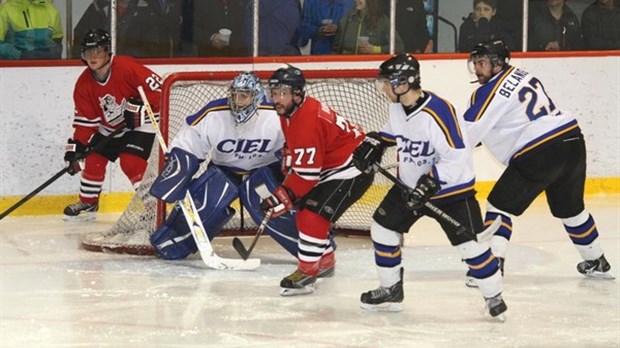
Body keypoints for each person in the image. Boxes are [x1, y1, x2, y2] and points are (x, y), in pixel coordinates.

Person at [351, 54, 506, 320]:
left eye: (388, 83)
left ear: (405, 82)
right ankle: (391, 288)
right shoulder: (398, 107)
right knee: (383, 228)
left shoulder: (439, 112)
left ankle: (494, 296)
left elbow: (457, 154)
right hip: (409, 189)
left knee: (471, 247)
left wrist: (431, 182)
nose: (384, 89)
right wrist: (376, 141)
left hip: (451, 192)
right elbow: (396, 130)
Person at [463, 39, 614, 285]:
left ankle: (490, 269)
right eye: (475, 63)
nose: (477, 68)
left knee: (499, 205)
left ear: (497, 63)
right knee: (571, 209)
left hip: (541, 151)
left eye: (481, 63)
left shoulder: (487, 91)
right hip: (571, 140)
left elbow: (466, 135)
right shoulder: (522, 74)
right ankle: (597, 261)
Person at [147, 71, 334, 261]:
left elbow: (300, 143)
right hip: (225, 172)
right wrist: (180, 169)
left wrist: (292, 163)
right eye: (235, 95)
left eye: (244, 96)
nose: (238, 101)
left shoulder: (275, 113)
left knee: (272, 207)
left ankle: (316, 246)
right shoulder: (214, 113)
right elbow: (189, 140)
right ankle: (170, 244)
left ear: (257, 97)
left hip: (263, 175)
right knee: (205, 203)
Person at [262, 64, 375, 296]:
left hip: (352, 169)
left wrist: (284, 195)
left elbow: (307, 177)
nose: (277, 99)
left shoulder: (306, 119)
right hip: (335, 165)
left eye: (282, 93)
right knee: (307, 209)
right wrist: (291, 152)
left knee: (312, 215)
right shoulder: (290, 110)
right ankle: (324, 261)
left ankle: (307, 272)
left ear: (298, 93)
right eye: (274, 93)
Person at [63, 29, 160, 221]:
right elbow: (85, 122)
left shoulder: (126, 67)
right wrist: (77, 146)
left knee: (130, 161)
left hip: (142, 122)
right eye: (88, 52)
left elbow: (160, 89)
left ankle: (153, 206)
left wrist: (139, 106)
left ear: (108, 51)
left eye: (97, 51)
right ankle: (88, 201)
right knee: (93, 157)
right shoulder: (83, 84)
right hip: (111, 127)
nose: (93, 56)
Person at [73, 0, 182, 59]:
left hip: (135, 70)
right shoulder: (98, 7)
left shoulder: (150, 12)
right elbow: (80, 40)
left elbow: (155, 49)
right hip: (102, 71)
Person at [332, 0, 404, 54]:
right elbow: (336, 48)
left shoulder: (382, 21)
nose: (355, 0)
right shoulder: (347, 19)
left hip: (370, 67)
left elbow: (399, 46)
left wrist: (376, 49)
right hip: (347, 67)